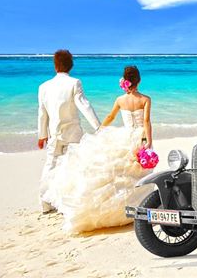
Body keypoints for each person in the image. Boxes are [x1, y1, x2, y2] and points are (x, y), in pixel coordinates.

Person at [41, 65, 155, 233]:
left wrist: (101, 129)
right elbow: (146, 122)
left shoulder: (120, 100)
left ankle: (120, 207)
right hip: (139, 136)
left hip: (125, 135)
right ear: (139, 80)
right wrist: (149, 141)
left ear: (125, 81)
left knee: (121, 173)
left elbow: (111, 116)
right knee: (137, 171)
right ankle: (140, 204)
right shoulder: (145, 99)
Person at [38, 49, 100, 214]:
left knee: (50, 166)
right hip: (73, 134)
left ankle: (45, 203)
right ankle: (69, 203)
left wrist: (42, 135)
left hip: (54, 134)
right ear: (71, 65)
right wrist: (98, 127)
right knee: (73, 167)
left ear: (55, 66)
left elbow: (42, 113)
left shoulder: (43, 87)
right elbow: (84, 106)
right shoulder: (74, 83)